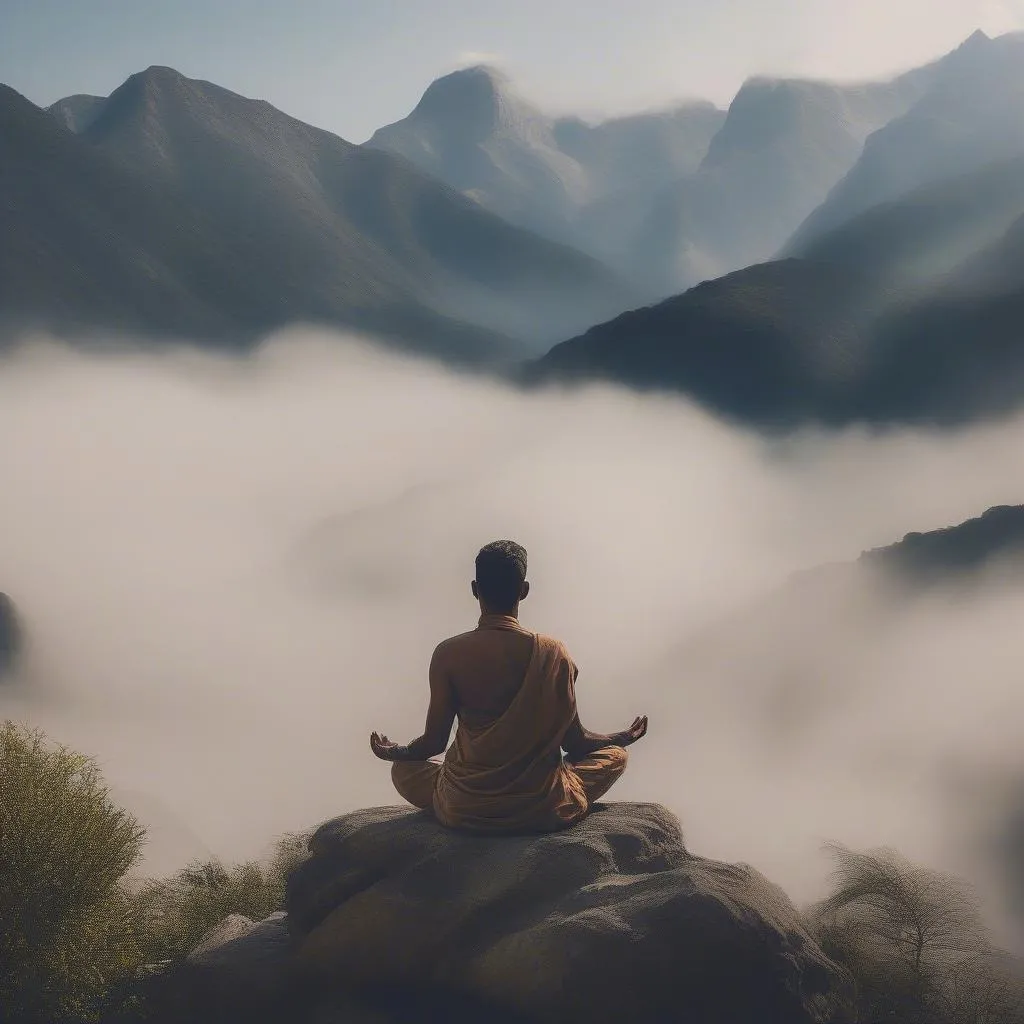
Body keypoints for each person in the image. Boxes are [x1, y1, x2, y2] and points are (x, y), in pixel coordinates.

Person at [369, 540, 647, 834]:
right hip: (541, 805)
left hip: (465, 805)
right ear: (524, 590)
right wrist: (622, 737)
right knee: (616, 756)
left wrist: (394, 751)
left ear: (475, 589)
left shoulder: (448, 653)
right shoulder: (554, 653)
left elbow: (433, 743)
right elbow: (574, 743)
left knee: (403, 770)